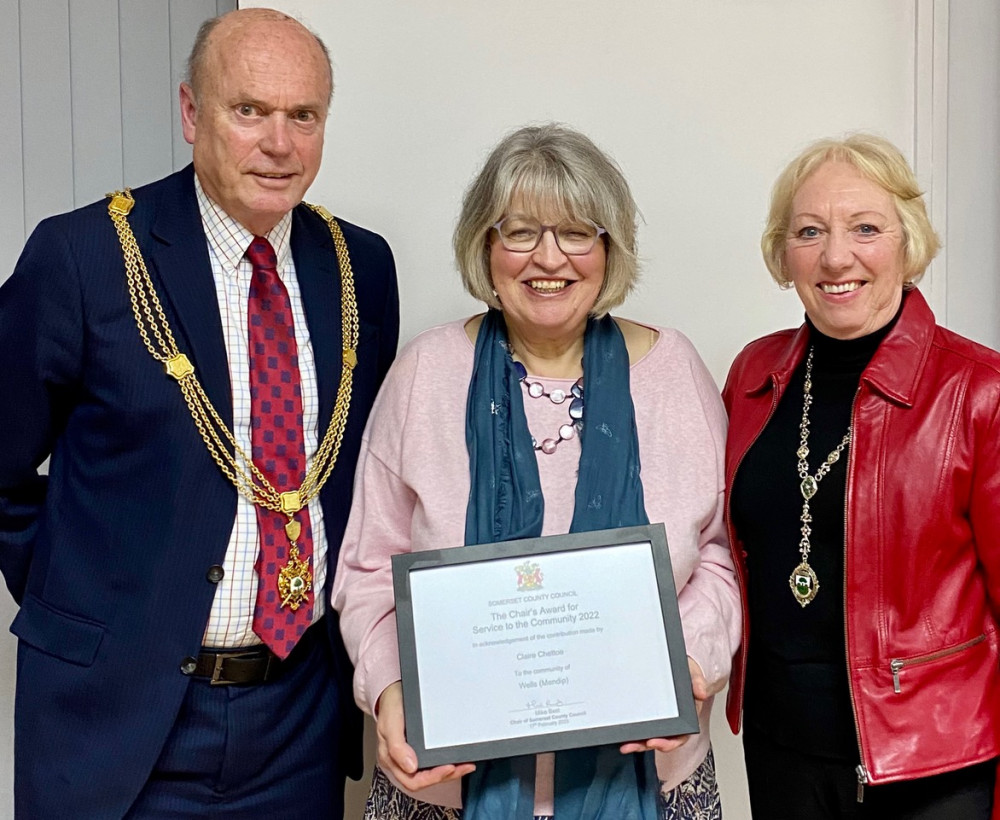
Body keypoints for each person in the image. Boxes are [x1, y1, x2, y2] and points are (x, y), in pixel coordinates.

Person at [0, 8, 399, 818]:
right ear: (191, 113)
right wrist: (82, 599)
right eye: (248, 109)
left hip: (297, 719)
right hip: (116, 718)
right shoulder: (83, 257)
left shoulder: (359, 266)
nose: (278, 143)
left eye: (303, 116)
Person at [333, 123, 741, 819]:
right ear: (485, 247)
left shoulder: (675, 374)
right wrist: (392, 690)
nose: (548, 258)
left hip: (653, 782)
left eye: (577, 231)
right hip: (445, 789)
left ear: (608, 248)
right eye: (519, 231)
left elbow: (720, 557)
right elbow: (369, 569)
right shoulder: (425, 375)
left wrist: (690, 664)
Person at [723, 133, 1000, 818]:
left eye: (865, 228)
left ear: (907, 243)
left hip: (933, 766)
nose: (836, 257)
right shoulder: (753, 374)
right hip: (781, 751)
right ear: (783, 255)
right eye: (809, 231)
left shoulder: (979, 391)